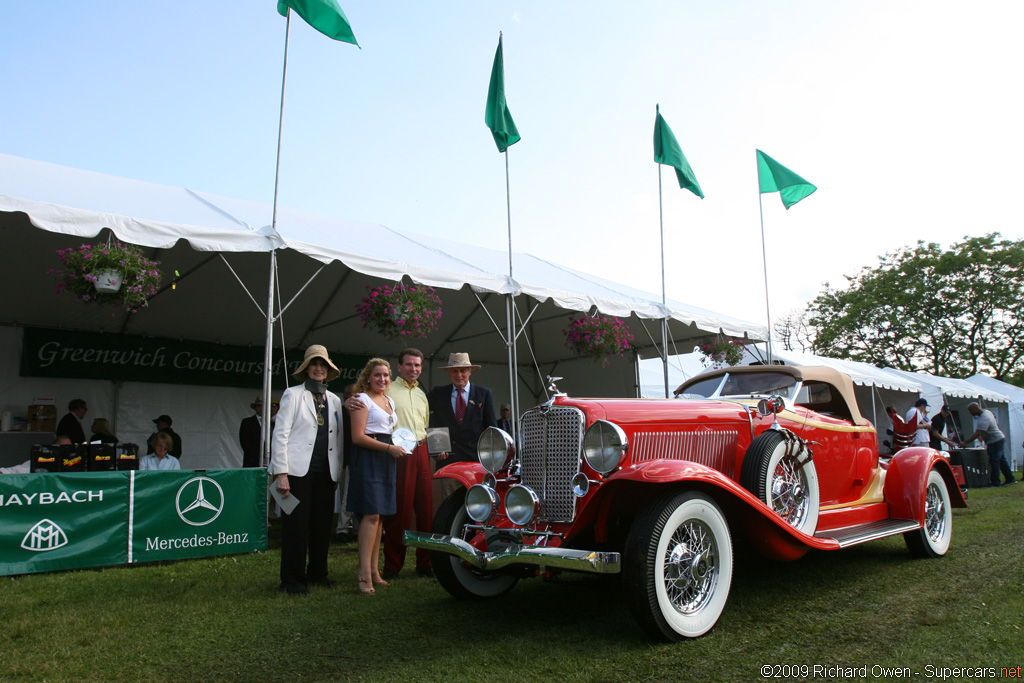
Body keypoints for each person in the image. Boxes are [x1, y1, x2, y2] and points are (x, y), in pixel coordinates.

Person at [350, 348, 434, 580]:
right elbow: (365, 400)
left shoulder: (421, 394)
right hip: (397, 452)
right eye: (409, 365)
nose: (414, 369)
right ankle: (393, 566)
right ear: (399, 367)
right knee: (399, 511)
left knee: (426, 509)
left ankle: (425, 562)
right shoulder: (389, 389)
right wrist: (350, 402)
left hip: (421, 448)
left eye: (417, 365)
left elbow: (424, 425)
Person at [271, 345, 345, 595]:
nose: (318, 368)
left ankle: (317, 573)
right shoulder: (293, 395)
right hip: (296, 473)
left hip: (325, 473)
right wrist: (281, 473)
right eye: (314, 364)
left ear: (328, 370)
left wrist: (337, 473)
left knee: (322, 525)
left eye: (323, 365)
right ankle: (291, 580)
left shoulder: (334, 400)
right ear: (306, 368)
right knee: (296, 526)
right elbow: (280, 434)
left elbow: (339, 440)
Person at [347, 358, 410, 595]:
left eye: (385, 375)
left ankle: (374, 571)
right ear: (368, 377)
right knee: (370, 514)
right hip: (369, 458)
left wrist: (399, 445)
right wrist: (388, 449)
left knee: (380, 516)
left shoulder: (389, 400)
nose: (382, 379)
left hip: (387, 459)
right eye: (377, 375)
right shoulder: (361, 399)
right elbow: (357, 437)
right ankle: (363, 575)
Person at [428, 352, 497, 501]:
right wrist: (437, 448)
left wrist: (489, 460)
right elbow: (431, 421)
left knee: (477, 504)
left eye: (463, 371)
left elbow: (491, 429)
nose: (459, 375)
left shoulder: (484, 394)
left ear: (470, 372)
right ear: (448, 372)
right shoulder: (438, 393)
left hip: (476, 463)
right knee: (451, 506)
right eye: (454, 370)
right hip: (449, 462)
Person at [964, 402, 1016, 487]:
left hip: (994, 441)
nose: (970, 413)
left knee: (994, 461)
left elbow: (977, 433)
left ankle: (995, 482)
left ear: (976, 409)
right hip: (998, 438)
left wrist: (965, 442)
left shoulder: (984, 418)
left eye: (971, 411)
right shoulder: (987, 412)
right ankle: (1010, 478)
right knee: (1001, 460)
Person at [334, 383, 358, 542]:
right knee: (346, 496)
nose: (355, 395)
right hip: (345, 459)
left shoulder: (364, 409)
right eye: (351, 393)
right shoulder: (339, 412)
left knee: (359, 495)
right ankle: (342, 529)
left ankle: (356, 528)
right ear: (345, 396)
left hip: (360, 459)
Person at [239, 395, 279, 468]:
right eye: (258, 406)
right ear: (255, 408)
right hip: (252, 463)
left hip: (272, 464)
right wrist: (260, 458)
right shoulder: (247, 422)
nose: (261, 408)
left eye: (263, 406)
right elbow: (245, 443)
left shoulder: (274, 422)